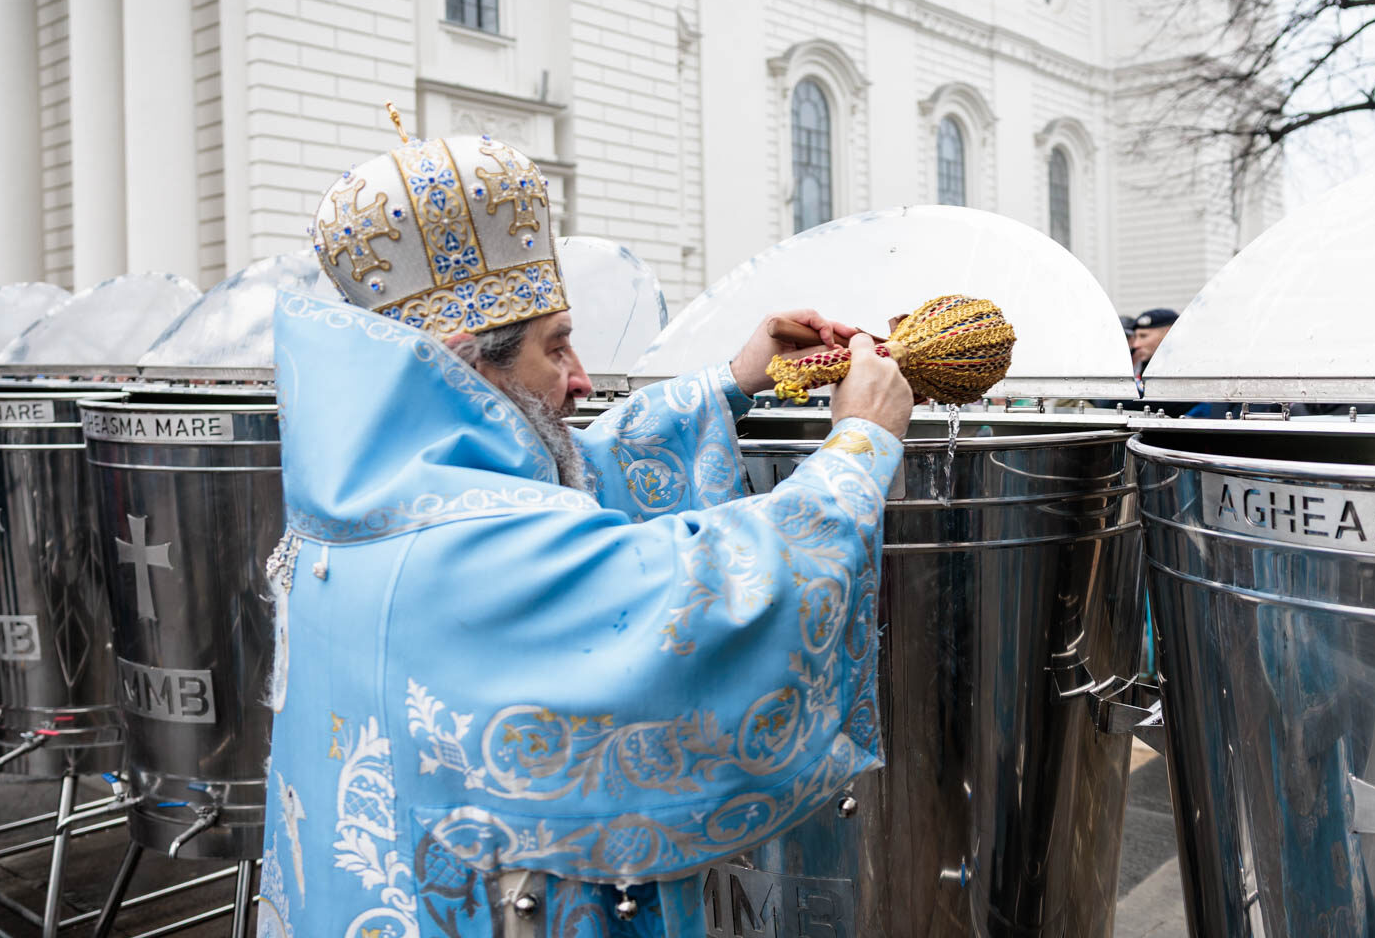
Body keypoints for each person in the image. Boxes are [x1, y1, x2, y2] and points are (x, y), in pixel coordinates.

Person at [257, 133, 914, 938]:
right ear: (469, 365)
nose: (582, 378)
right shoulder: (472, 548)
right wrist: (858, 451)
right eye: (556, 344)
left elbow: (572, 472)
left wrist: (730, 382)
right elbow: (713, 602)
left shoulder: (369, 496)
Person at [1129, 307, 1177, 379]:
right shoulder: (1140, 367)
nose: (1136, 345)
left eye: (1143, 336)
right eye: (1135, 337)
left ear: (1168, 334)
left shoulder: (1183, 369)